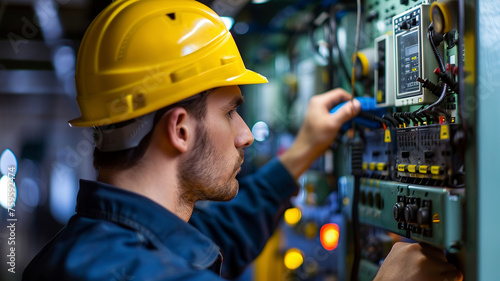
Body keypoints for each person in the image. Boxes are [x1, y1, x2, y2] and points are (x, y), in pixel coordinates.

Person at [23, 0, 463, 280]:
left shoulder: (106, 243)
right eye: (231, 111)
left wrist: (303, 151)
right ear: (180, 129)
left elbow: (221, 237)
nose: (246, 134)